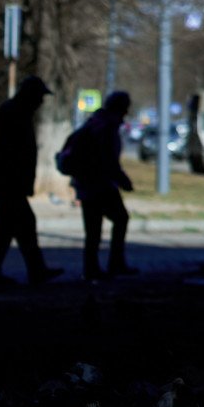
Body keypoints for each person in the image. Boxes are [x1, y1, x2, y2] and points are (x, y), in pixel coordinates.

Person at [0, 75, 63, 289]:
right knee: (21, 225)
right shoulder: (14, 113)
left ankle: (6, 272)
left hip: (7, 182)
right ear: (30, 95)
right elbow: (11, 154)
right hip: (7, 183)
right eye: (40, 96)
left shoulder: (16, 111)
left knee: (9, 229)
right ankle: (32, 271)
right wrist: (19, 183)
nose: (41, 101)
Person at [71, 90, 138, 282]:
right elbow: (107, 159)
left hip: (87, 183)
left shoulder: (95, 122)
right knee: (119, 219)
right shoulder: (106, 127)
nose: (126, 112)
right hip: (99, 184)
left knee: (93, 229)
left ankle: (92, 268)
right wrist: (122, 179)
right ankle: (112, 264)